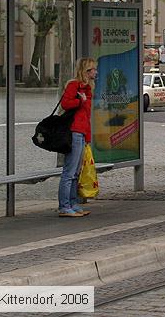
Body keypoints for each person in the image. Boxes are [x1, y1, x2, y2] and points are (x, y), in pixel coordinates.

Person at [57, 57, 97, 218]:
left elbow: (86, 116)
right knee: (69, 171)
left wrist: (87, 136)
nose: (96, 72)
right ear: (86, 71)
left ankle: (73, 203)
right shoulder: (74, 85)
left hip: (81, 131)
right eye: (93, 69)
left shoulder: (88, 87)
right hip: (74, 131)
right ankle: (64, 206)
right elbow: (65, 104)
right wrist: (80, 101)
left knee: (76, 172)